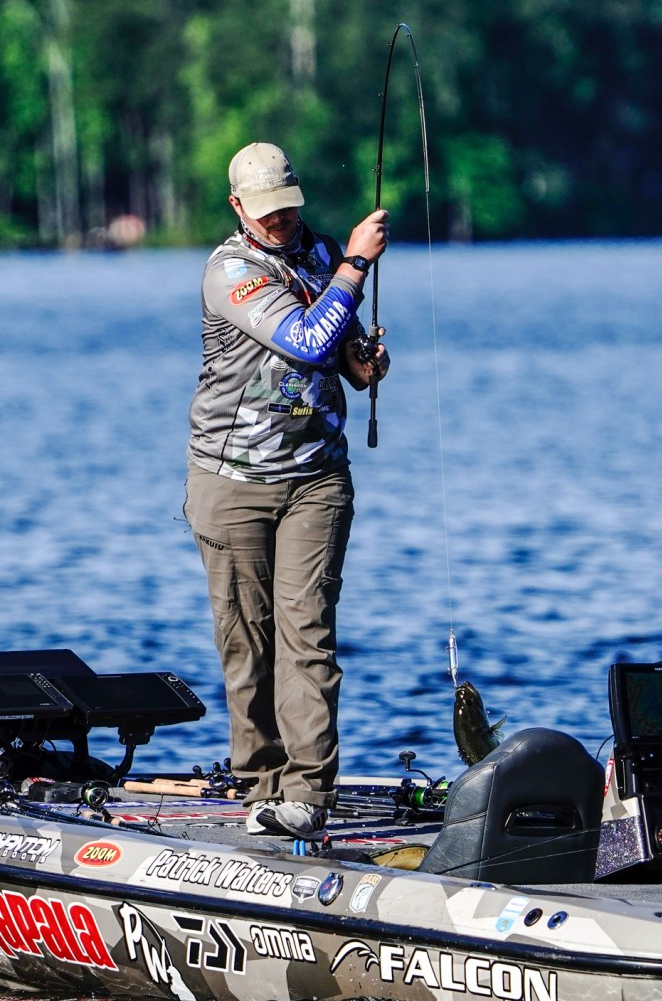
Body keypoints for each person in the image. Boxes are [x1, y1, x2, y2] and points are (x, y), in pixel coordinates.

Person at [184, 142, 390, 840]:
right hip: (231, 481)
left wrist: (364, 363)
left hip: (316, 478)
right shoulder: (230, 271)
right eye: (265, 211)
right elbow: (302, 339)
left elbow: (338, 351)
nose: (279, 220)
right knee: (247, 643)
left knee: (309, 634)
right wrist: (356, 265)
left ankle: (307, 793)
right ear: (238, 207)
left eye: (287, 208)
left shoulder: (321, 251)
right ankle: (261, 785)